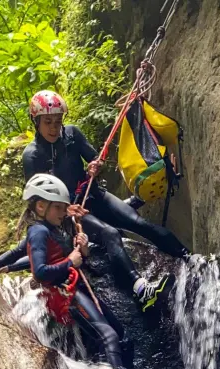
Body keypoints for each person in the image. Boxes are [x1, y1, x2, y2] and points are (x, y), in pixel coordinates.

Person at [21, 90, 189, 310]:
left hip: (93, 195)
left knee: (138, 223)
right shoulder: (32, 155)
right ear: (36, 122)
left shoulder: (72, 134)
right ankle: (140, 289)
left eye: (58, 121)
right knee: (109, 234)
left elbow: (94, 159)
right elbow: (37, 199)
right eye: (48, 122)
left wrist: (95, 167)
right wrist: (66, 209)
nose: (54, 127)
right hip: (68, 214)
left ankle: (188, 258)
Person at [21, 173, 132, 369]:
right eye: (59, 208)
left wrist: (82, 250)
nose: (64, 213)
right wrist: (71, 262)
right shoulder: (38, 231)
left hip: (74, 288)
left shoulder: (52, 229)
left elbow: (70, 257)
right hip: (65, 293)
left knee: (119, 334)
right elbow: (40, 273)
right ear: (41, 206)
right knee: (108, 335)